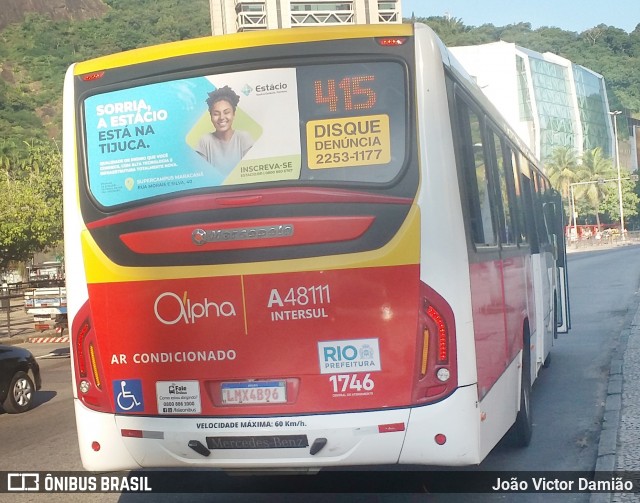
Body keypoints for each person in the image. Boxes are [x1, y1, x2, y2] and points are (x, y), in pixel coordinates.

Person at [195, 86, 254, 173]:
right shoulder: (205, 141)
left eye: (226, 112)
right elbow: (202, 174)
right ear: (210, 116)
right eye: (216, 114)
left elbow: (251, 172)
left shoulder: (244, 138)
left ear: (234, 114)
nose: (222, 117)